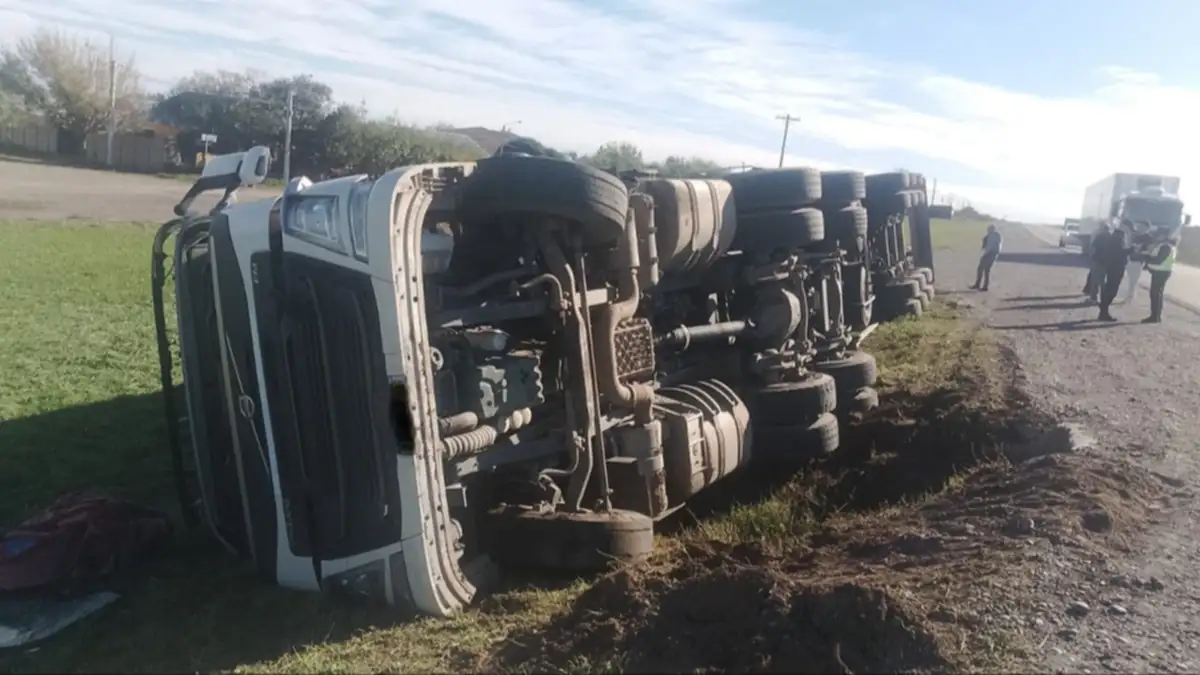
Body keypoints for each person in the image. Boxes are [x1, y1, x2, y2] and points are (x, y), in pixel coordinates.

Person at [1095, 225, 1129, 321]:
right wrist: (1131, 250)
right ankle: (1104, 310)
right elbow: (1121, 253)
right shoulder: (1118, 242)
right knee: (1112, 291)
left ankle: (1103, 310)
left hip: (1110, 268)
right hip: (1116, 269)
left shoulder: (1111, 241)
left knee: (1108, 289)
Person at [1141, 234, 1177, 324]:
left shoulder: (1165, 247)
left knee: (1155, 294)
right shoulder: (1168, 246)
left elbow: (1158, 260)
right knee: (1157, 294)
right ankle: (1156, 316)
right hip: (1162, 272)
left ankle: (1155, 316)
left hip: (1160, 272)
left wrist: (1146, 257)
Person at [1122, 221, 1152, 304]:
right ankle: (1130, 296)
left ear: (1146, 228)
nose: (1138, 228)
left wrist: (1140, 251)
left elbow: (1150, 251)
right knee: (1130, 279)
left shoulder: (1148, 238)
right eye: (1138, 226)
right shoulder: (1135, 236)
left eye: (1141, 226)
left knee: (1134, 280)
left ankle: (1130, 297)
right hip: (1130, 259)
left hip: (1139, 261)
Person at [1083, 223, 1112, 301]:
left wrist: (1091, 256)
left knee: (1095, 279)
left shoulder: (1100, 236)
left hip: (1098, 260)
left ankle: (1094, 297)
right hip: (1108, 262)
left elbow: (1093, 247)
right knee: (1103, 280)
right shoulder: (1112, 237)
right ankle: (1103, 297)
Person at [969, 224, 1003, 291]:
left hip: (990, 254)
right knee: (986, 270)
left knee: (981, 268)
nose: (988, 230)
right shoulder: (994, 235)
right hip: (993, 254)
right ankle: (984, 286)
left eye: (989, 229)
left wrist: (984, 255)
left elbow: (989, 246)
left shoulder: (993, 236)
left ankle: (979, 285)